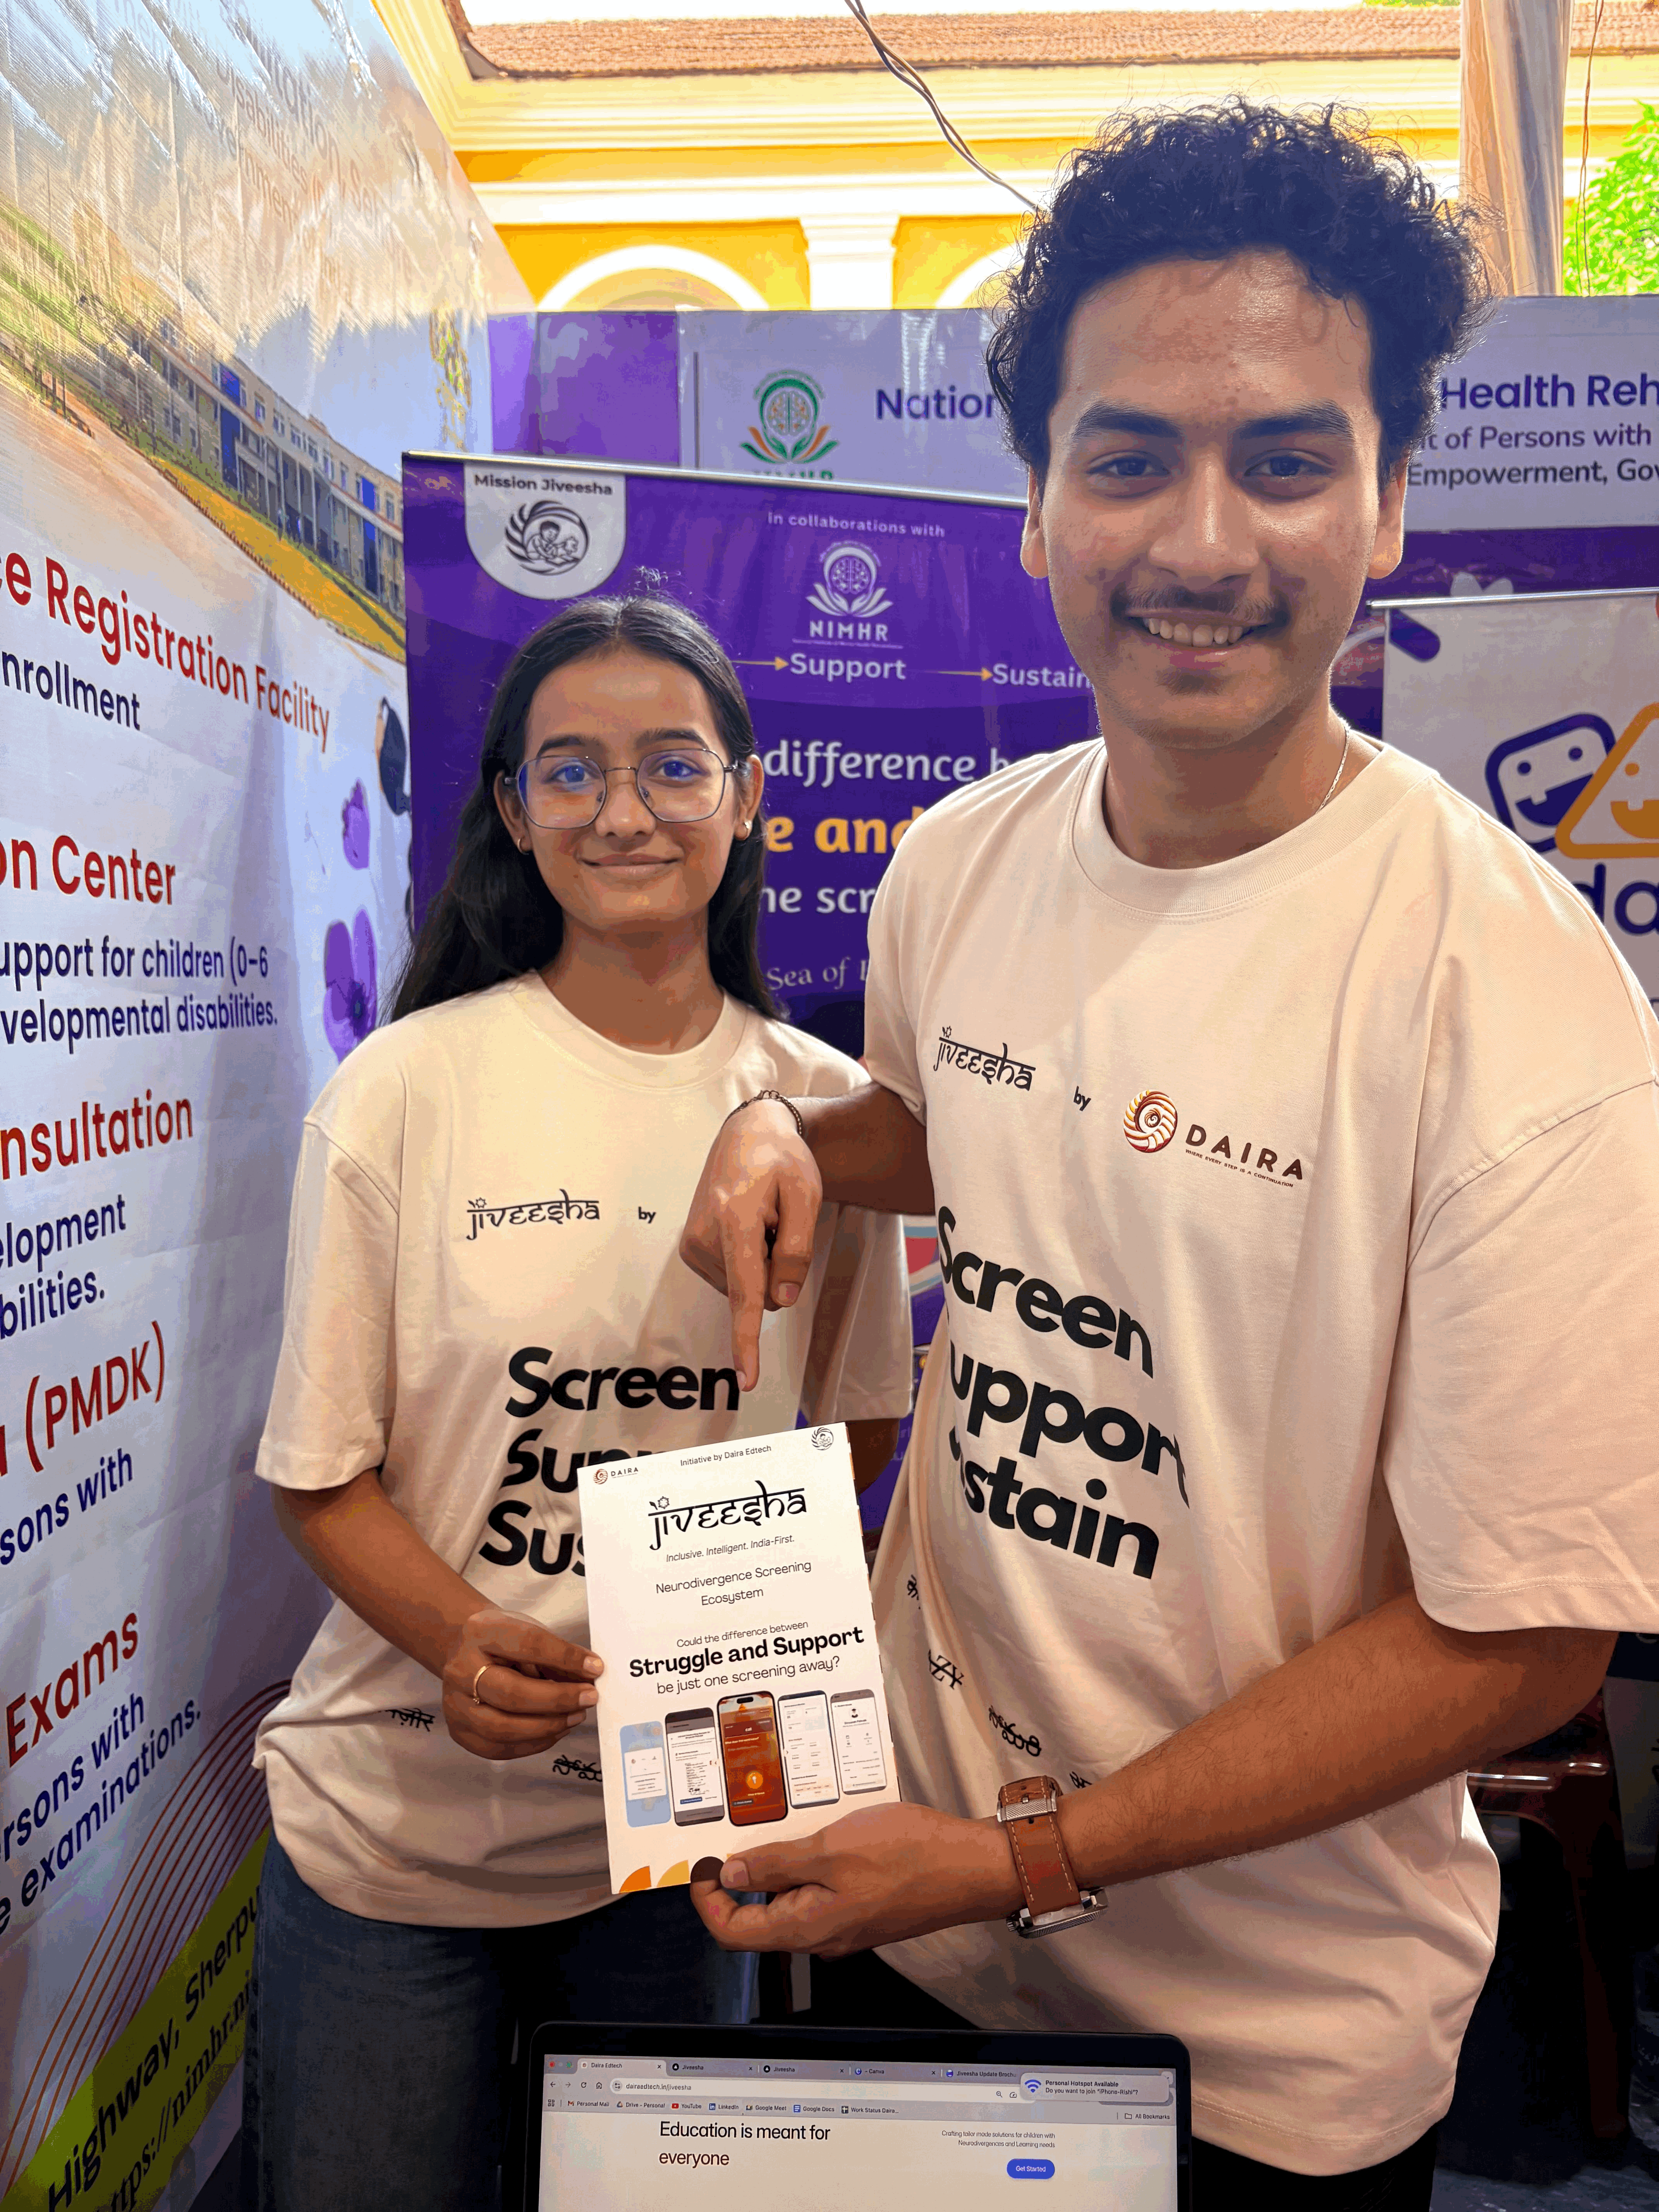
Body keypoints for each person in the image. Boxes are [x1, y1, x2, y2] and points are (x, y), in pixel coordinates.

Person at [677, 103, 1659, 2206]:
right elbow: (963, 1136)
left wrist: (1029, 1853)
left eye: (1282, 462)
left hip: (1266, 2064)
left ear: (1383, 503)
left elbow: (1518, 1641)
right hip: (903, 1933)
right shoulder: (959, 863)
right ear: (1035, 503)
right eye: (1124, 458)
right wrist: (784, 1123)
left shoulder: (1511, 991)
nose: (1198, 541)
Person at [242, 595, 912, 2212]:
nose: (624, 810)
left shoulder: (833, 1116)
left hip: (685, 1846)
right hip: (396, 1840)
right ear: (513, 811)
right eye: (573, 772)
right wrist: (460, 1636)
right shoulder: (407, 1090)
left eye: (673, 766)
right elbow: (319, 1474)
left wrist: (756, 1641)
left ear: (749, 797)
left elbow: (859, 1433)